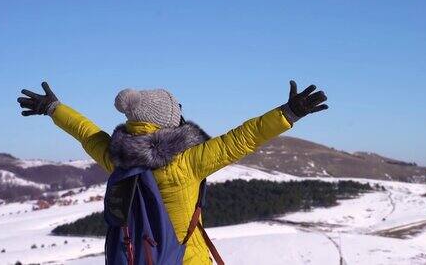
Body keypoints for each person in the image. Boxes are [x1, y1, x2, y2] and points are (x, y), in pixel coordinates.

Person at [17, 80, 328, 264]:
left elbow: (87, 133)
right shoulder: (189, 161)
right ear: (169, 121)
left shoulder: (118, 157)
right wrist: (288, 113)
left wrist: (53, 108)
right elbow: (242, 138)